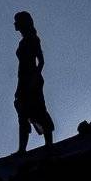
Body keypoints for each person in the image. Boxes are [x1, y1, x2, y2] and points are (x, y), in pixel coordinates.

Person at [13, 10, 55, 155]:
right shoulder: (23, 41)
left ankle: (49, 144)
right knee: (22, 113)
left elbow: (41, 61)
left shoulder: (33, 39)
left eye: (17, 21)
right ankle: (22, 149)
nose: (15, 24)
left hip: (33, 79)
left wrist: (34, 78)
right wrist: (20, 85)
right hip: (23, 80)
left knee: (39, 109)